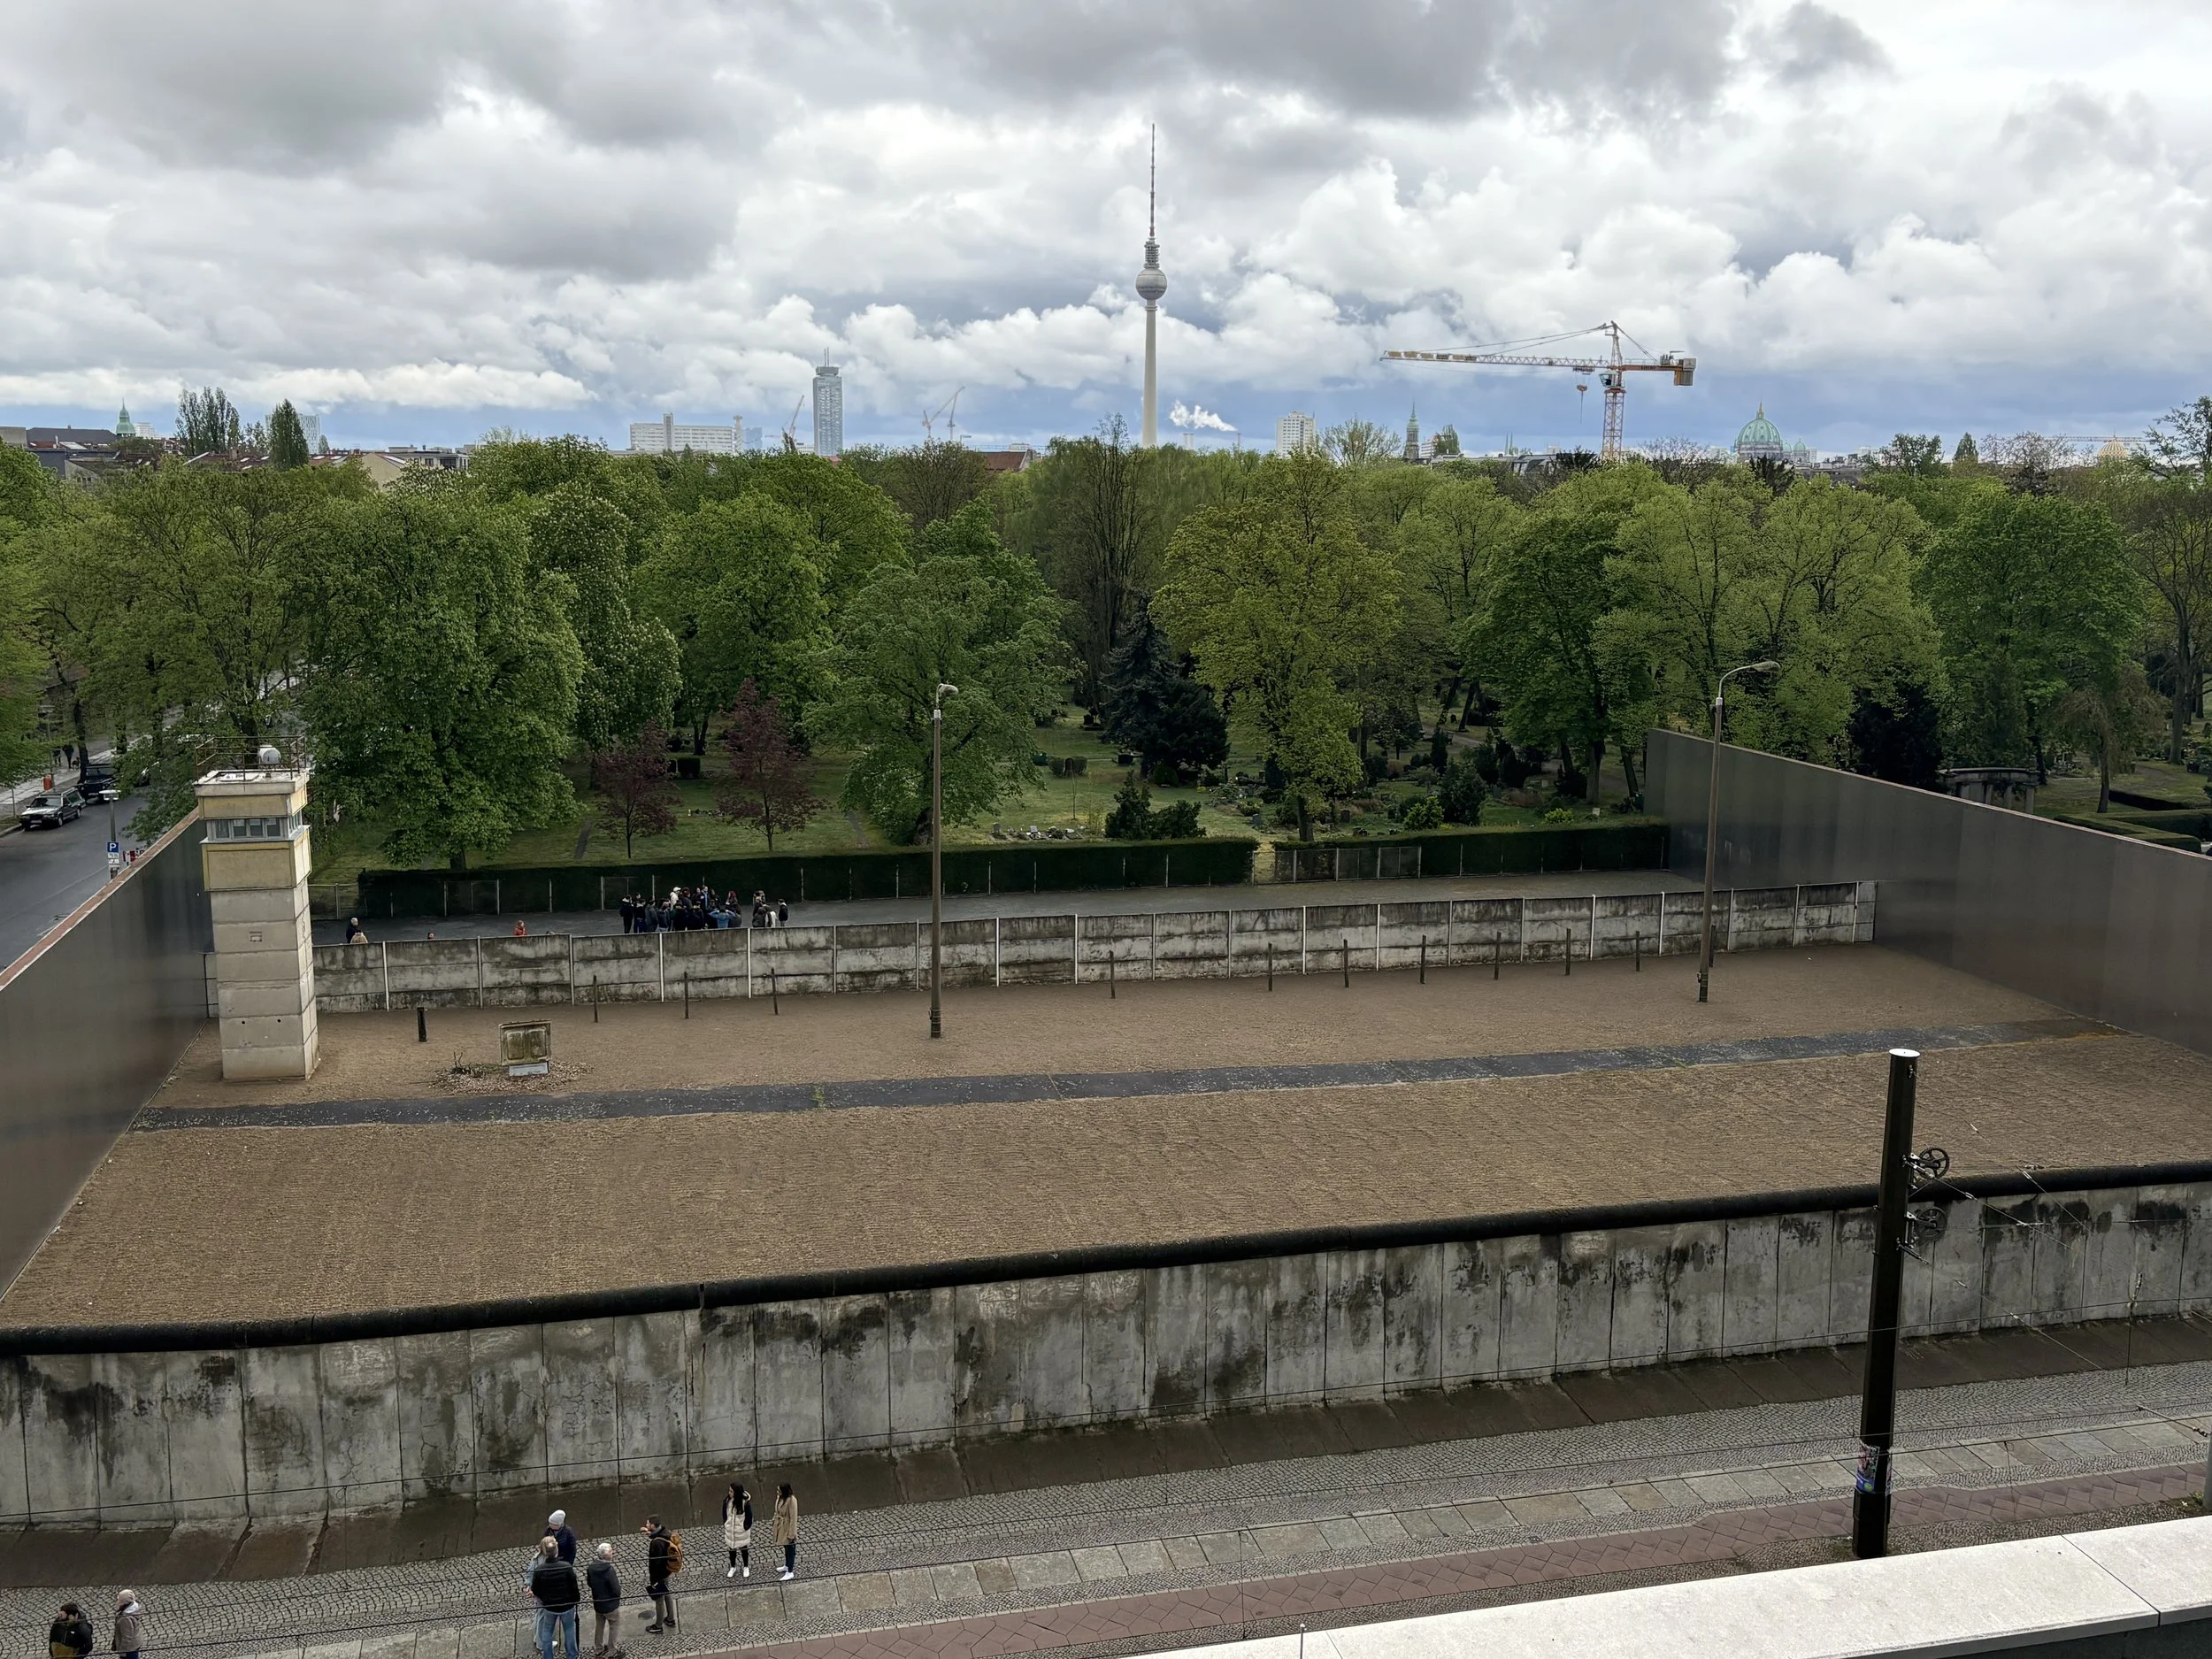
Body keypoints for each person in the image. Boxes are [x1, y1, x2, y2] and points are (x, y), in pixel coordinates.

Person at [527, 1537, 582, 1659]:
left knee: (547, 1631)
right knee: (569, 1630)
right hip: (567, 1605)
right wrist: (575, 1600)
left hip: (550, 1607)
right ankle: (572, 1655)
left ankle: (547, 1656)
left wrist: (545, 1599)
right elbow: (573, 1586)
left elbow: (536, 1589)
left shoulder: (540, 1570)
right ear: (556, 1551)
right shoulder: (566, 1566)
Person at [585, 1541, 623, 1658]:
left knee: (599, 1625)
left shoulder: (591, 1568)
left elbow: (590, 1583)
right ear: (606, 1556)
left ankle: (598, 1649)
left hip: (598, 1603)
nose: (613, 1553)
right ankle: (612, 1650)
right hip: (610, 1605)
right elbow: (616, 1589)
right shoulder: (609, 1570)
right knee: (614, 1625)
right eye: (611, 1551)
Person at [641, 1515, 677, 1633]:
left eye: (648, 1524)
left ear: (652, 1525)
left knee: (659, 1600)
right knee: (667, 1594)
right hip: (666, 1572)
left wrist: (654, 1581)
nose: (646, 1525)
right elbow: (658, 1538)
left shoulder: (656, 1543)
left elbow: (656, 1563)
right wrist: (649, 1533)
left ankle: (658, 1626)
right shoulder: (665, 1533)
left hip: (659, 1575)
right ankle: (671, 1619)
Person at [721, 1482, 752, 1578]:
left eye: (731, 1491)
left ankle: (746, 1566)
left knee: (744, 1550)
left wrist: (745, 1527)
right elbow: (724, 1513)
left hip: (741, 1531)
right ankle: (733, 1567)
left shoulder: (745, 1503)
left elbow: (749, 1516)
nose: (729, 1493)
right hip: (731, 1530)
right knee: (732, 1550)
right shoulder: (727, 1501)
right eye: (729, 1491)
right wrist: (726, 1523)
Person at [772, 1483, 799, 1581]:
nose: (777, 1492)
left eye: (779, 1490)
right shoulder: (780, 1498)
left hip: (787, 1527)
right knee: (786, 1547)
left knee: (791, 1549)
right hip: (781, 1527)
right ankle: (787, 1565)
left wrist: (791, 1533)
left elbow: (793, 1518)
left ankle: (790, 1571)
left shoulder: (792, 1500)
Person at [110, 1593, 141, 1659]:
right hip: (134, 1645)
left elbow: (127, 1637)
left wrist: (122, 1652)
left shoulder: (125, 1618)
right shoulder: (133, 1609)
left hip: (129, 1650)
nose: (117, 1602)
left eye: (119, 1600)